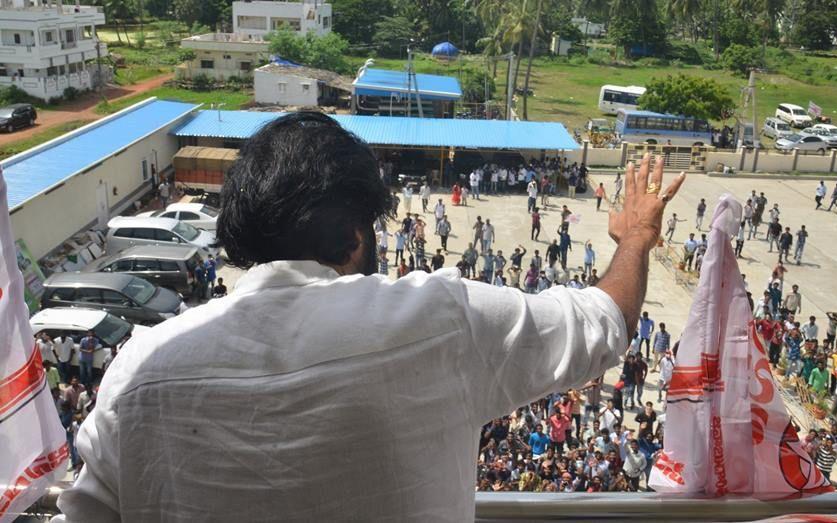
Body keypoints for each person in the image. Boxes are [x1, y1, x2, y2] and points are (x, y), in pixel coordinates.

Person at [59, 117, 686, 520]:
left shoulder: (139, 370)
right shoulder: (437, 319)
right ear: (356, 235)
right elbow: (604, 322)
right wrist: (634, 239)